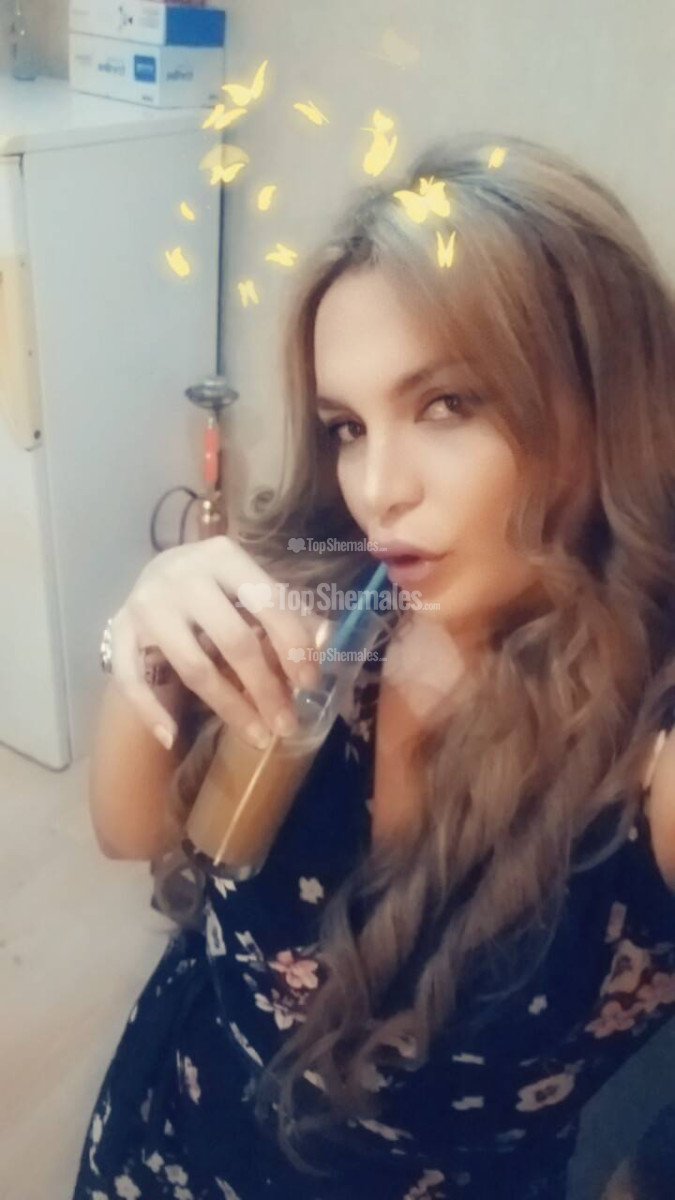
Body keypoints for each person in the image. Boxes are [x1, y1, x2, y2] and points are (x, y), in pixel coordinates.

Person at [71, 132, 675, 1200]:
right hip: (171, 1127)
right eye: (346, 426)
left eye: (447, 404)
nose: (377, 489)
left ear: (605, 401)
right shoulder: (332, 601)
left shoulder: (648, 755)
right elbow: (132, 832)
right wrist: (144, 633)